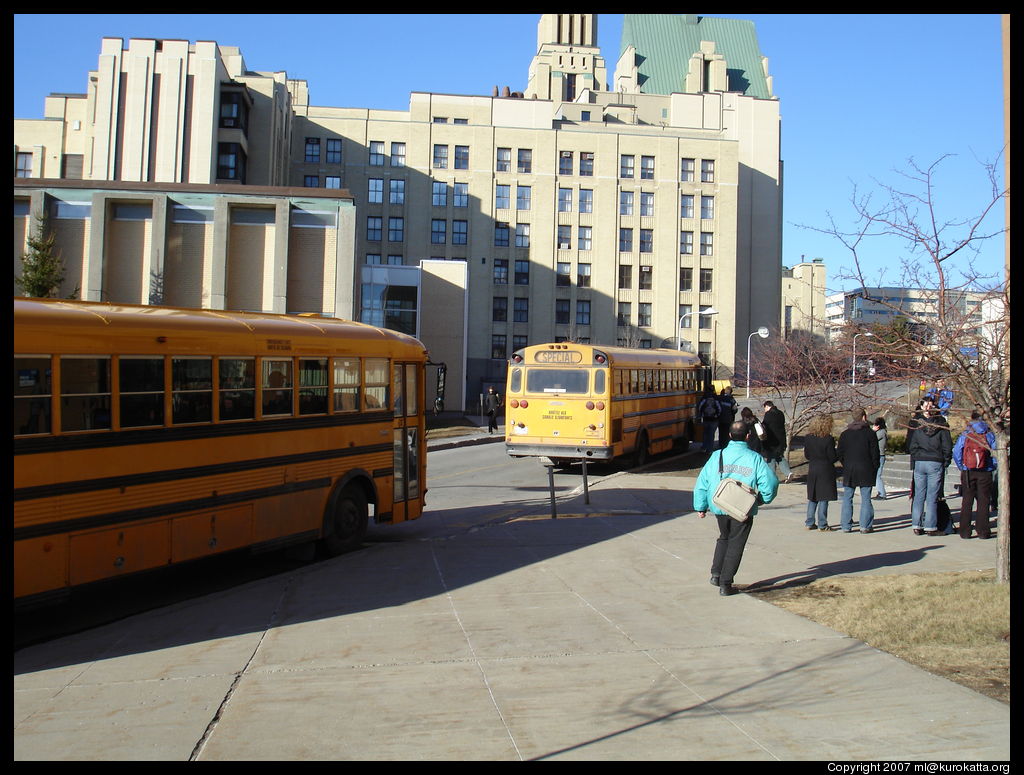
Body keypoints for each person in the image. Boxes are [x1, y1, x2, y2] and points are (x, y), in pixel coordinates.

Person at [693, 420, 780, 596]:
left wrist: (700, 506)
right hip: (742, 508)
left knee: (724, 537)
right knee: (736, 543)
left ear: (729, 435)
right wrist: (762, 499)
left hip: (719, 505)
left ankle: (716, 574)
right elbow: (770, 483)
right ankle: (726, 584)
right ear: (748, 436)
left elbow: (702, 481)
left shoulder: (717, 455)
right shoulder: (754, 458)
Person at [908, 407, 953, 536]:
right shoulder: (942, 428)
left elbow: (913, 446)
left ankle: (916, 524)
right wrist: (945, 461)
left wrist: (917, 457)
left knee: (919, 495)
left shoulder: (919, 428)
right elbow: (947, 446)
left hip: (920, 461)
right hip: (935, 461)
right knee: (932, 496)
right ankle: (930, 526)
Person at [952, 410, 996, 539]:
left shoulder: (967, 433)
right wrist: (992, 466)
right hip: (985, 471)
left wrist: (962, 466)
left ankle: (964, 531)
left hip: (968, 471)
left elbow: (956, 451)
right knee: (984, 501)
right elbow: (995, 451)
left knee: (967, 501)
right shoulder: (989, 433)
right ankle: (983, 531)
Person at [836, 407, 880, 533]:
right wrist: (874, 467)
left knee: (847, 497)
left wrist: (846, 464)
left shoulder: (845, 434)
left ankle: (846, 525)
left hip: (850, 469)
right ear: (864, 417)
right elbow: (875, 453)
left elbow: (840, 453)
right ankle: (865, 525)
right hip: (866, 468)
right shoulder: (870, 434)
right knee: (866, 498)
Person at [802, 414, 839, 531]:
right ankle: (822, 523)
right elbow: (832, 457)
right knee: (824, 497)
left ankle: (809, 521)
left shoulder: (808, 438)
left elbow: (807, 455)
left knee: (813, 496)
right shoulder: (828, 439)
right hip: (825, 469)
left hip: (813, 468)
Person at [761, 400, 792, 482]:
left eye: (765, 408)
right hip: (781, 439)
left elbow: (764, 425)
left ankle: (772, 477)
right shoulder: (780, 413)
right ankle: (788, 473)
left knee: (771, 458)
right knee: (780, 457)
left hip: (772, 440)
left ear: (767, 406)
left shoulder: (769, 414)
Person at [697, 386, 721, 452]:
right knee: (711, 434)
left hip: (706, 418)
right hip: (714, 419)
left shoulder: (704, 397)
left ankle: (704, 447)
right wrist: (717, 415)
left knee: (705, 433)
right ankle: (710, 449)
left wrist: (702, 414)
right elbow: (719, 408)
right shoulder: (716, 397)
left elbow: (700, 407)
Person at [871, 417, 889, 500]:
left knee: (878, 476)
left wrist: (872, 431)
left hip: (880, 456)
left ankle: (882, 494)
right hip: (879, 455)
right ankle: (880, 492)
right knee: (877, 475)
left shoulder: (881, 433)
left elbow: (871, 439)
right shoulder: (883, 432)